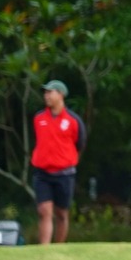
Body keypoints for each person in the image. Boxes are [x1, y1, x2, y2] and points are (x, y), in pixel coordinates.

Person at [30, 79, 86, 244]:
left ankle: (58, 248)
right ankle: (44, 249)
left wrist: (68, 160)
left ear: (60, 94)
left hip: (64, 174)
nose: (46, 96)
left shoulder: (73, 121)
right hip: (42, 173)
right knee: (44, 211)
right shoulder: (39, 118)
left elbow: (80, 143)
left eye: (50, 92)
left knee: (61, 213)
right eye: (45, 92)